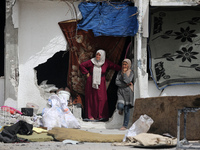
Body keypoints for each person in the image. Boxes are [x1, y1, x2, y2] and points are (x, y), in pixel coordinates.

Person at [79, 49, 121, 122]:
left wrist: (123, 69)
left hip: (101, 82)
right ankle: (90, 116)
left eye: (99, 55)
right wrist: (86, 73)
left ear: (102, 56)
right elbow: (82, 65)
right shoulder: (92, 62)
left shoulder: (105, 62)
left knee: (101, 98)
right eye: (97, 54)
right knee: (91, 98)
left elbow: (114, 66)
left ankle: (101, 116)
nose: (97, 56)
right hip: (91, 82)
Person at [115, 58, 134, 130]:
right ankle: (120, 109)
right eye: (123, 64)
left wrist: (124, 74)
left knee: (127, 109)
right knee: (120, 106)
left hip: (128, 92)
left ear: (128, 65)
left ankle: (125, 125)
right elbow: (117, 82)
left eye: (125, 64)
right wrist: (125, 84)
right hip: (120, 91)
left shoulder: (131, 72)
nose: (124, 66)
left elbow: (129, 81)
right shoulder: (119, 72)